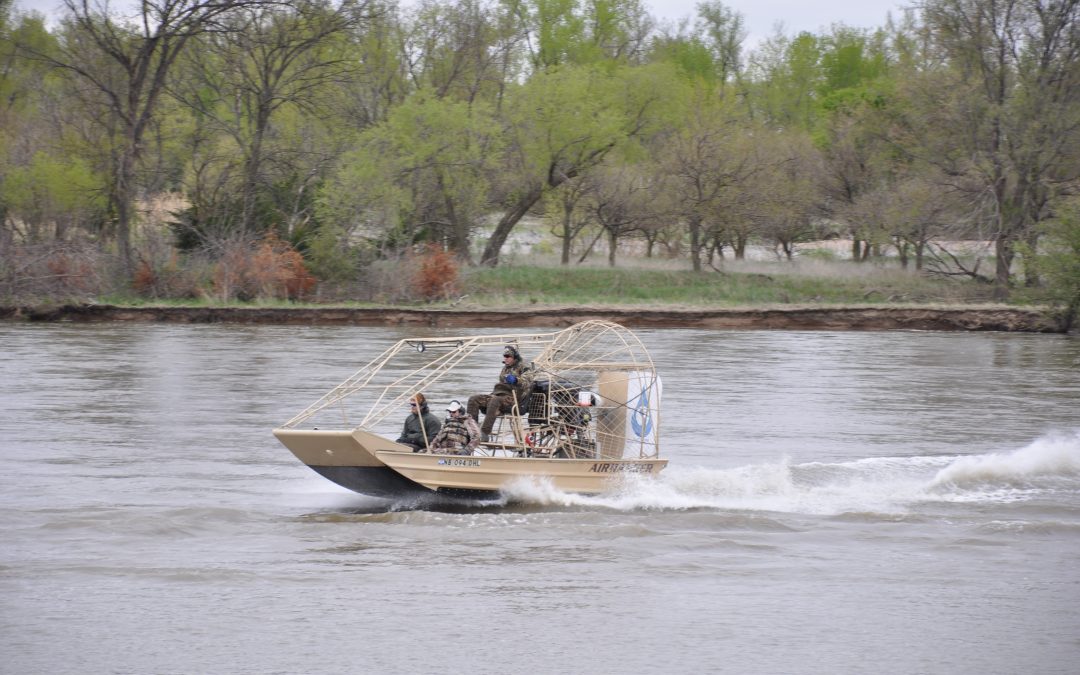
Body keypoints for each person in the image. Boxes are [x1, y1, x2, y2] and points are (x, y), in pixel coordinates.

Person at [467, 345, 531, 441]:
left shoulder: (524, 367)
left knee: (495, 401)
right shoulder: (505, 368)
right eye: (504, 356)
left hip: (513, 398)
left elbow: (528, 381)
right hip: (498, 394)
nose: (505, 358)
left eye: (508, 356)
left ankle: (484, 432)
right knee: (473, 399)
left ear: (514, 357)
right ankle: (473, 430)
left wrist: (516, 380)